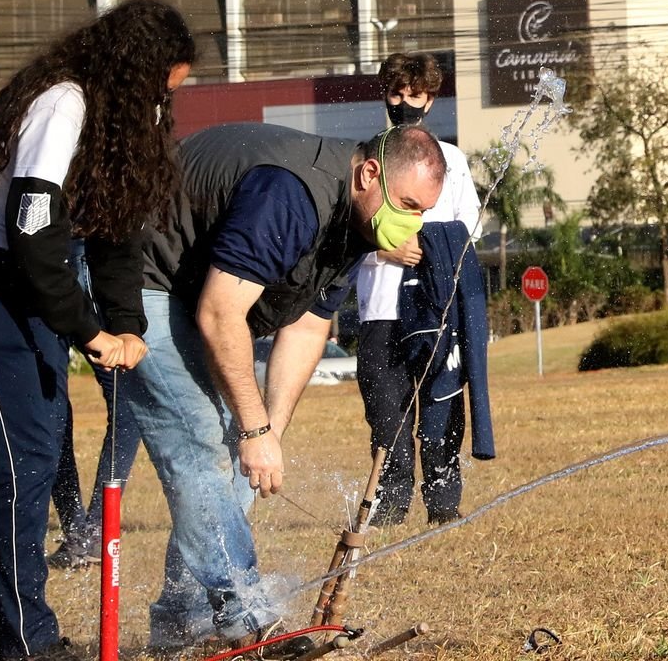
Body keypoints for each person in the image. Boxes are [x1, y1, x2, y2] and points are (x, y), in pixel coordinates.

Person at [0, 0, 195, 661]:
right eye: (159, 89)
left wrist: (126, 323)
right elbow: (32, 232)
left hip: (23, 286)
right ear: (131, 72)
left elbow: (116, 231)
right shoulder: (63, 104)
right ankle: (24, 643)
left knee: (43, 439)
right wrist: (90, 333)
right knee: (29, 454)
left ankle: (4, 638)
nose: (164, 105)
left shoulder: (118, 121)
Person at [130, 120, 446, 655]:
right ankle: (246, 618)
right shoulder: (292, 194)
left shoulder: (356, 218)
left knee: (232, 450)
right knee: (201, 442)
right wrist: (252, 428)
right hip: (140, 279)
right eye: (410, 206)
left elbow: (306, 324)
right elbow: (220, 312)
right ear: (370, 173)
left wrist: (270, 427)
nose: (413, 226)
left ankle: (182, 622)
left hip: (197, 293)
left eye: (423, 213)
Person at [354, 52, 488, 526]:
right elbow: (342, 229)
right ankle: (388, 509)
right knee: (387, 415)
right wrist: (381, 249)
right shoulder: (365, 156)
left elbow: (470, 224)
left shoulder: (450, 159)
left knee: (442, 408)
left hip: (435, 308)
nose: (405, 102)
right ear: (384, 95)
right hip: (380, 310)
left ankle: (444, 506)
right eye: (397, 93)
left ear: (430, 101)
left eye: (415, 95)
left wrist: (431, 243)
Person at [45, 241, 143, 570]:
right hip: (76, 259)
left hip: (73, 259)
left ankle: (86, 534)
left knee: (54, 405)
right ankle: (86, 534)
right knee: (120, 410)